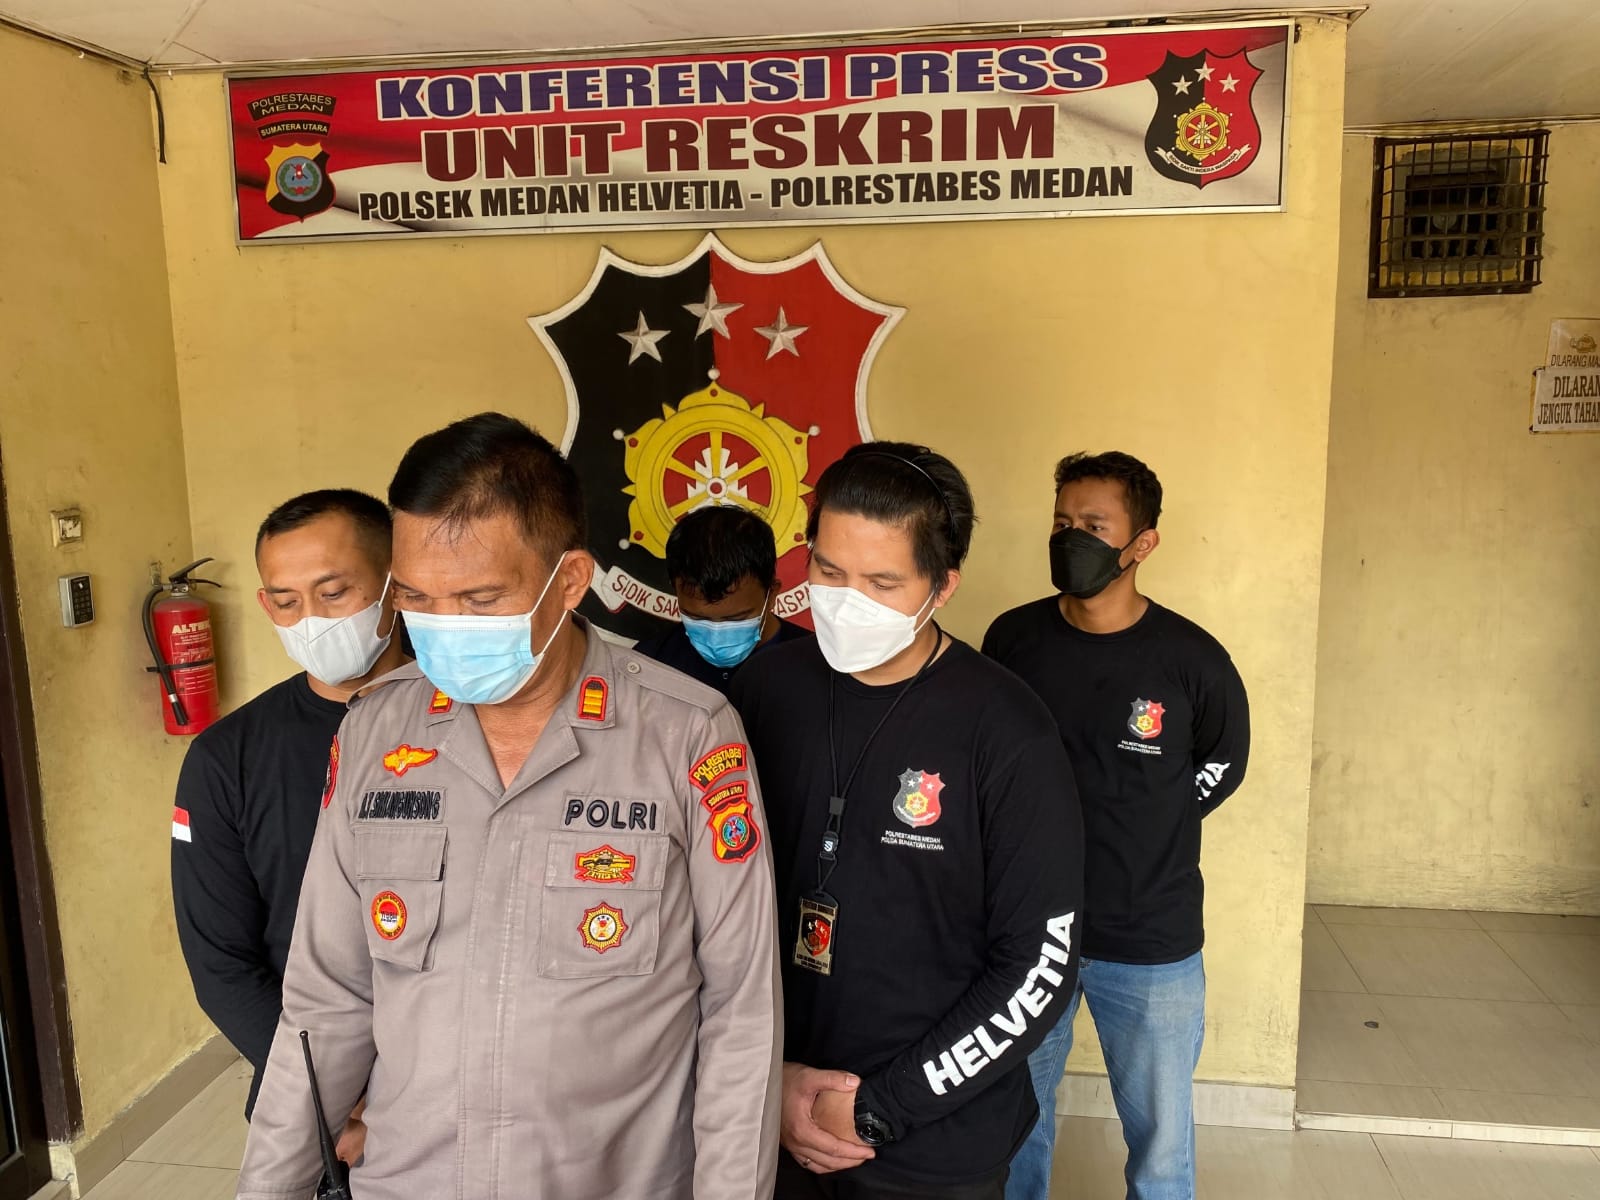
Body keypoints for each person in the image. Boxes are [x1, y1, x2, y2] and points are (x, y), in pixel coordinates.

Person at [236, 413, 782, 1200]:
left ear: (569, 581)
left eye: (481, 598)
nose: (444, 629)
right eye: (417, 598)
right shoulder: (374, 734)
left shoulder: (686, 735)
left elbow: (740, 1012)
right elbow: (326, 1001)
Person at [729, 442, 1084, 1200]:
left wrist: (881, 1107)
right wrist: (769, 1077)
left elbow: (1039, 964)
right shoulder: (763, 691)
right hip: (766, 1110)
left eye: (882, 582)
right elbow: (708, 902)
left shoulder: (1006, 728)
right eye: (828, 572)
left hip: (933, 1140)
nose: (845, 600)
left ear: (942, 586)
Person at [984, 451, 1251, 1200]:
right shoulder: (1013, 641)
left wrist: (1153, 820)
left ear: (1142, 543)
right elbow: (985, 758)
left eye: (1094, 526)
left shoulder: (1192, 660)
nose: (1072, 538)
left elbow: (1223, 763)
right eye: (1062, 522)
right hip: (1027, 930)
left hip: (1149, 936)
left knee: (1161, 1144)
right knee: (1014, 1124)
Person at [172, 489, 405, 1155]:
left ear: (396, 586)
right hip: (313, 1095)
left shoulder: (477, 723)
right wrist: (332, 1095)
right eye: (286, 601)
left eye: (333, 593)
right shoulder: (227, 759)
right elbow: (222, 963)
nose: (311, 621)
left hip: (465, 1089)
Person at [634, 503, 811, 693]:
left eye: (736, 618)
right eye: (697, 618)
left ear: (772, 594)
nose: (716, 636)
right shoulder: (647, 666)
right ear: (675, 590)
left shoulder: (818, 666)